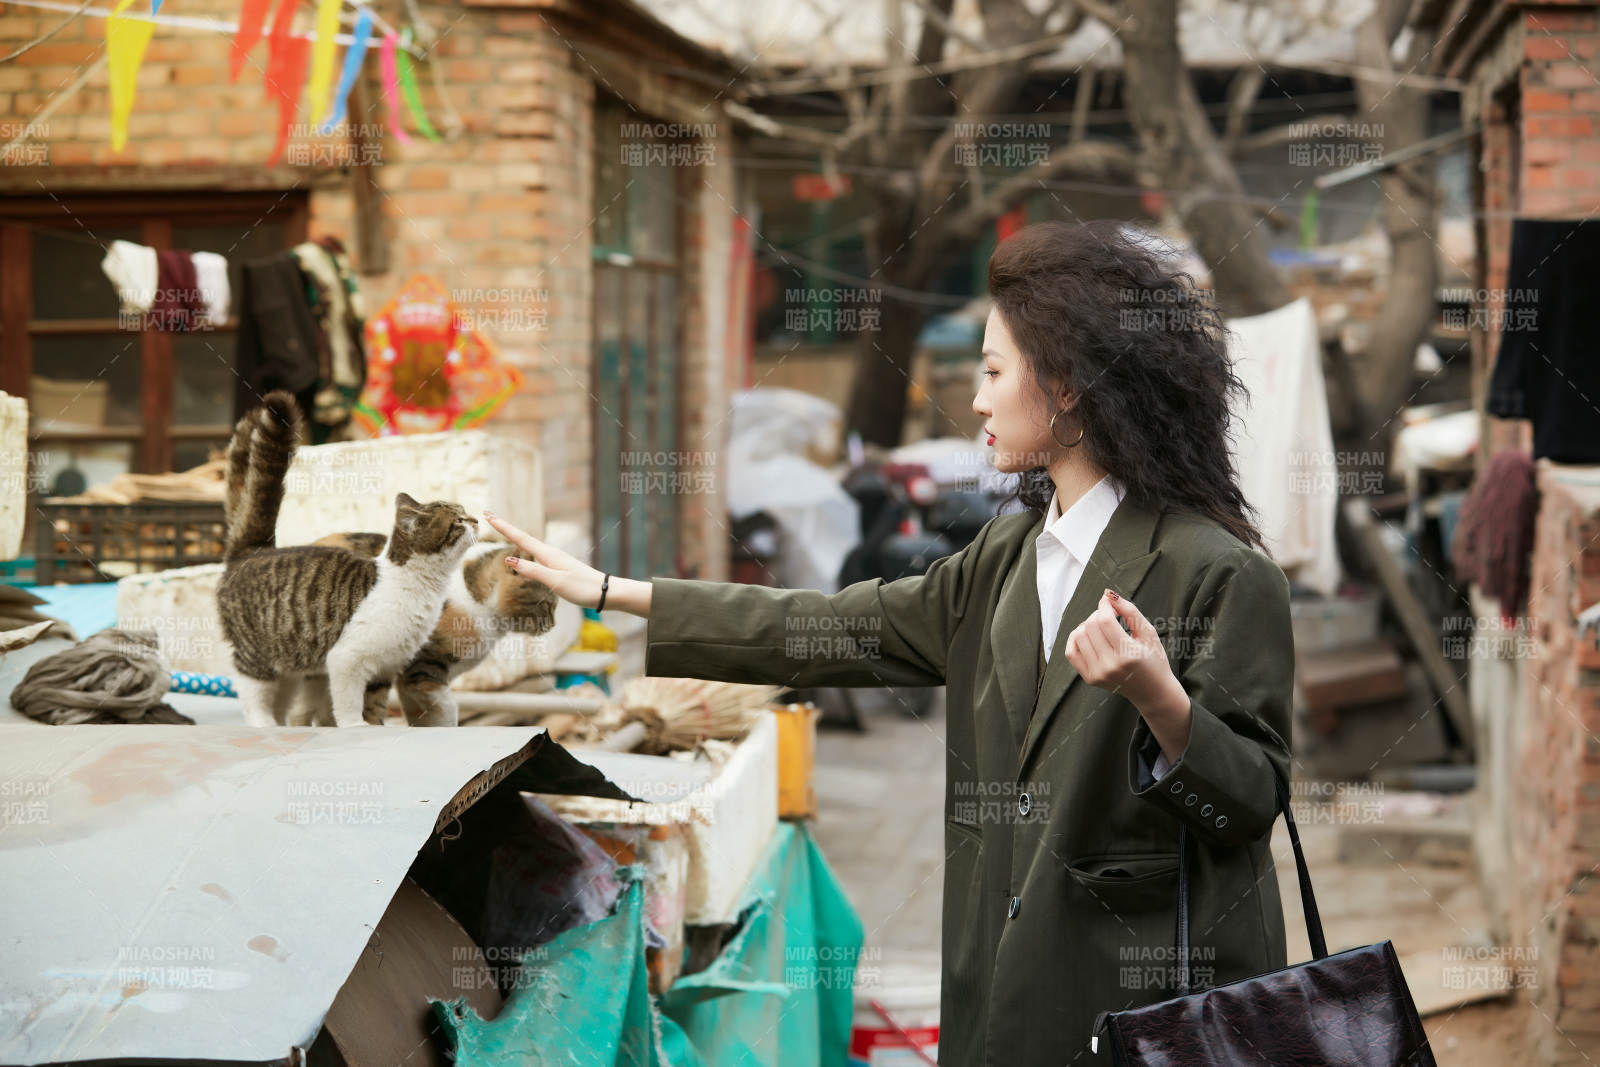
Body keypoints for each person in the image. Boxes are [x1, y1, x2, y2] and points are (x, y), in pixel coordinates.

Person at [483, 219, 1294, 1065]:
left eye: (993, 372)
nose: (976, 401)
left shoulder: (1219, 572)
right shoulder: (1005, 556)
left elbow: (1253, 798)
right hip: (1000, 1005)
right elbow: (827, 627)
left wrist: (1157, 696)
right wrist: (613, 592)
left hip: (1146, 1014)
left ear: (1064, 386)